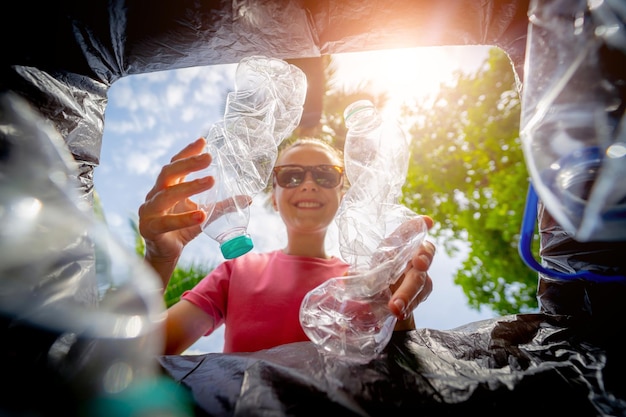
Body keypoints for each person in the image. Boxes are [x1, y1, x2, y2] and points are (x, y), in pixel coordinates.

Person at [139, 136, 436, 355]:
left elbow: (400, 377)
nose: (309, 184)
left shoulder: (368, 279)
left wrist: (400, 312)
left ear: (342, 194)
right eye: (292, 175)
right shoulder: (236, 272)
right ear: (274, 197)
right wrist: (159, 260)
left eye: (325, 174)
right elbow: (142, 355)